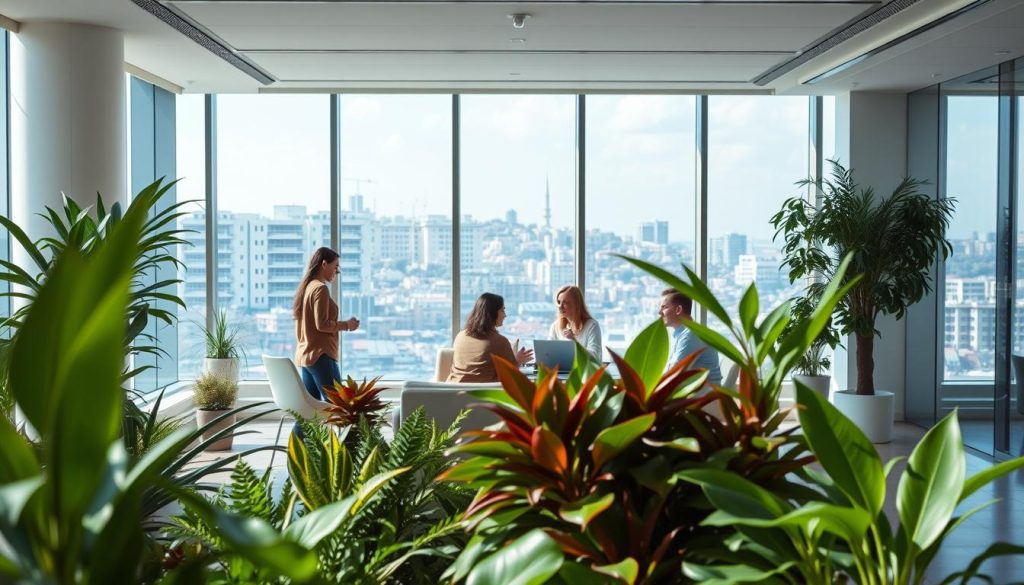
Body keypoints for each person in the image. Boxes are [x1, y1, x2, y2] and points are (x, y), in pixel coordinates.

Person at [293, 247, 360, 400]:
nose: (337, 271)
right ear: (324, 264)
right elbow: (321, 324)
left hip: (306, 356)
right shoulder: (320, 289)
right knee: (339, 404)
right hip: (320, 356)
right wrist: (347, 325)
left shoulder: (307, 287)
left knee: (311, 408)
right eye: (335, 266)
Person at [449, 293, 534, 383]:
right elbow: (510, 375)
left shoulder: (460, 336)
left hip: (452, 388)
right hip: (484, 391)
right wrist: (518, 361)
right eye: (502, 310)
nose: (505, 315)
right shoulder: (500, 341)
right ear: (492, 313)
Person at [659, 287, 722, 386]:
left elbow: (673, 374)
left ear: (678, 310)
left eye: (664, 307)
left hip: (702, 394)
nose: (660, 312)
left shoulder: (692, 334)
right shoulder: (683, 334)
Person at [547, 285, 602, 361]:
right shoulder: (555, 326)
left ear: (577, 305)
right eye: (559, 302)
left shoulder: (592, 325)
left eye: (565, 303)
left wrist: (574, 342)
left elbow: (594, 357)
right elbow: (548, 353)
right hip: (561, 368)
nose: (560, 306)